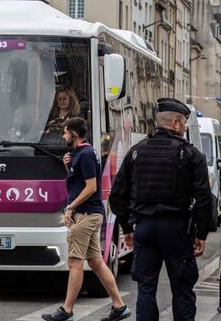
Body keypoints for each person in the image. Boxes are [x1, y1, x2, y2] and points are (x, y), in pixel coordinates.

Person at [108, 98, 212, 321]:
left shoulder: (136, 152)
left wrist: (128, 227)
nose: (184, 128)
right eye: (184, 123)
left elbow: (117, 195)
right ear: (175, 123)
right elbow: (204, 198)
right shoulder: (192, 155)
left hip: (144, 228)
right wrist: (201, 234)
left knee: (146, 288)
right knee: (182, 289)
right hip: (177, 229)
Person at [42, 117, 130, 321]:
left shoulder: (86, 154)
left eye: (65, 132)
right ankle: (119, 306)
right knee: (97, 262)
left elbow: (91, 187)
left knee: (75, 263)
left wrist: (70, 208)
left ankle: (67, 310)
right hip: (88, 213)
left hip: (86, 215)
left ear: (74, 134)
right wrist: (67, 167)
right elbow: (79, 183)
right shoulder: (80, 154)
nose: (63, 136)